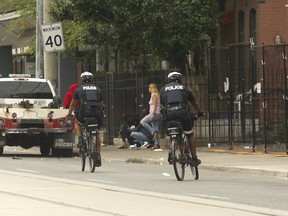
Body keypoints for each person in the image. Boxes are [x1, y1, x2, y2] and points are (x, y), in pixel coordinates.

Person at [159, 71, 204, 166]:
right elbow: (193, 102)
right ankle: (194, 158)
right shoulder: (184, 88)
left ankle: (171, 151)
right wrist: (199, 112)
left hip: (169, 113)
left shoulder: (163, 89)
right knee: (189, 134)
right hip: (182, 112)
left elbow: (161, 103)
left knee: (171, 131)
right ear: (179, 79)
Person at [67, 71, 105, 167]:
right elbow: (102, 104)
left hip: (84, 113)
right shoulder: (98, 89)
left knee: (77, 121)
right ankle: (98, 156)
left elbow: (73, 104)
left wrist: (68, 114)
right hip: (96, 114)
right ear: (92, 79)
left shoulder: (79, 90)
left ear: (82, 80)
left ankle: (80, 139)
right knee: (96, 132)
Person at [140, 83, 162, 150]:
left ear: (152, 88)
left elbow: (155, 105)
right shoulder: (157, 94)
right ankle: (157, 144)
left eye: (149, 87)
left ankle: (153, 132)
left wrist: (152, 114)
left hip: (154, 113)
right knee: (156, 128)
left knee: (143, 122)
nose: (148, 89)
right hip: (157, 113)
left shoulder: (154, 94)